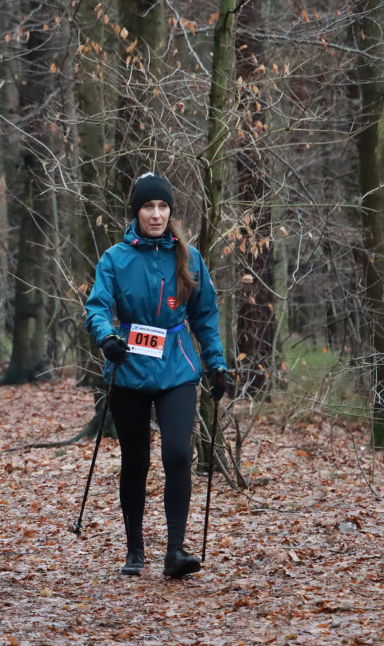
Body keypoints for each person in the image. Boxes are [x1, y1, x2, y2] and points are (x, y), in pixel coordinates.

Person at [85, 172, 230, 579]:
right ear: (136, 211)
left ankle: (175, 551)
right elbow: (96, 306)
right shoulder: (115, 258)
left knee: (178, 455)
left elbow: (205, 316)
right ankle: (135, 549)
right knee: (135, 459)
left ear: (171, 211)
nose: (156, 214)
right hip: (128, 367)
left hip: (176, 368)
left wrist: (216, 363)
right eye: (149, 206)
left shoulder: (189, 257)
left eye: (163, 206)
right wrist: (107, 338)